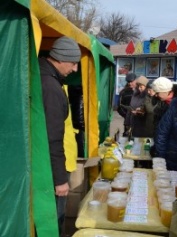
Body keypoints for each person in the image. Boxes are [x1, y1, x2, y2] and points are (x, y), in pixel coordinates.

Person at [39, 36, 81, 234]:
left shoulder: (43, 75)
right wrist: (60, 179)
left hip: (42, 165)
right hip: (48, 170)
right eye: (73, 63)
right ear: (61, 59)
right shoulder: (51, 87)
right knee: (54, 222)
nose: (75, 69)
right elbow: (52, 138)